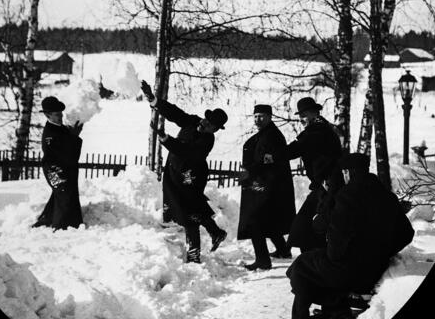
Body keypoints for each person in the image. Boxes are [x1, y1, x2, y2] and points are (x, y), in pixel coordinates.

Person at [286, 153, 415, 319]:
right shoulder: (387, 196)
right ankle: (334, 310)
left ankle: (304, 315)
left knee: (301, 266)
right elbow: (406, 234)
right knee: (318, 266)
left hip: (353, 270)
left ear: (348, 172)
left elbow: (335, 249)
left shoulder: (347, 196)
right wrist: (382, 251)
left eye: (344, 173)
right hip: (376, 267)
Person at [141, 80, 228, 264]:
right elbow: (175, 114)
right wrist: (154, 99)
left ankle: (194, 254)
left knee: (189, 213)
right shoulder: (193, 121)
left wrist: (165, 139)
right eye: (207, 120)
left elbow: (187, 152)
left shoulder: (207, 141)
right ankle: (216, 232)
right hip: (174, 172)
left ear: (215, 129)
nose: (205, 124)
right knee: (192, 208)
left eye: (211, 125)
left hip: (191, 176)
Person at [238, 104, 296, 270]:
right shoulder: (266, 134)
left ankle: (262, 260)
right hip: (268, 184)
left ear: (270, 117)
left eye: (262, 116)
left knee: (255, 220)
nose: (258, 119)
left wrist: (249, 172)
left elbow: (267, 161)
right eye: (255, 116)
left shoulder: (272, 136)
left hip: (268, 184)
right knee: (269, 219)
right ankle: (283, 250)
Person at [285, 97, 344, 253]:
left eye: (304, 115)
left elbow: (295, 149)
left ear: (313, 113)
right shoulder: (320, 128)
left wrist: (275, 154)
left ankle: (317, 260)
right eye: (300, 116)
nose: (301, 119)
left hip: (328, 185)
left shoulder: (317, 131)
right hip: (324, 184)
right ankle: (314, 258)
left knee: (310, 225)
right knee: (308, 225)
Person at [32, 96, 84, 231]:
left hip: (65, 167)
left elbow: (70, 154)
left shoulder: (60, 128)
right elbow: (64, 154)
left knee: (65, 193)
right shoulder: (50, 133)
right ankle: (62, 226)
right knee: (64, 194)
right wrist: (74, 138)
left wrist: (73, 136)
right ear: (47, 115)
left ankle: (47, 219)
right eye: (56, 114)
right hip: (54, 168)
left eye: (61, 113)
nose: (60, 116)